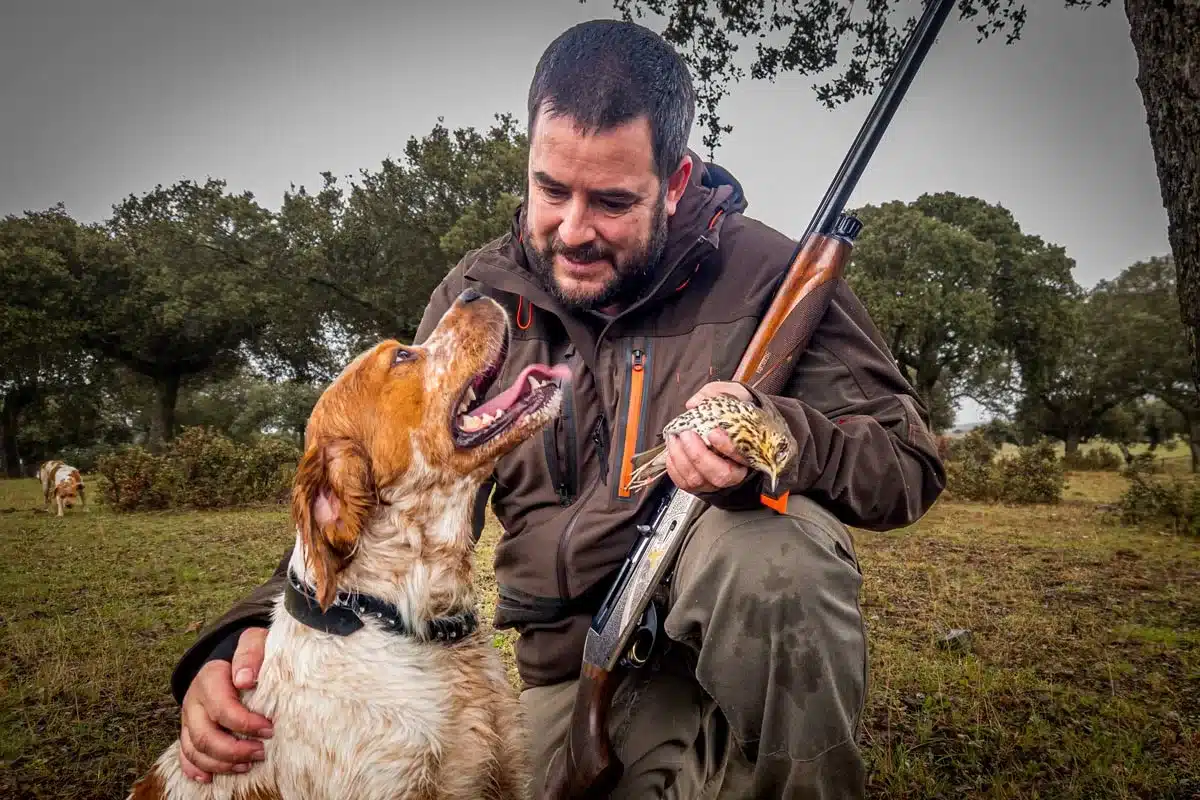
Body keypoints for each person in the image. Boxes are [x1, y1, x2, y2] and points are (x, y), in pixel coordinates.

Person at [167, 19, 945, 799]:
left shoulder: (774, 276)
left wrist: (783, 437)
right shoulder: (476, 299)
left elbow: (907, 464)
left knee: (776, 558)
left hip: (720, 658)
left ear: (674, 183)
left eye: (611, 201)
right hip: (566, 680)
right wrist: (244, 634)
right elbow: (386, 488)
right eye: (551, 190)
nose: (573, 231)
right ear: (531, 158)